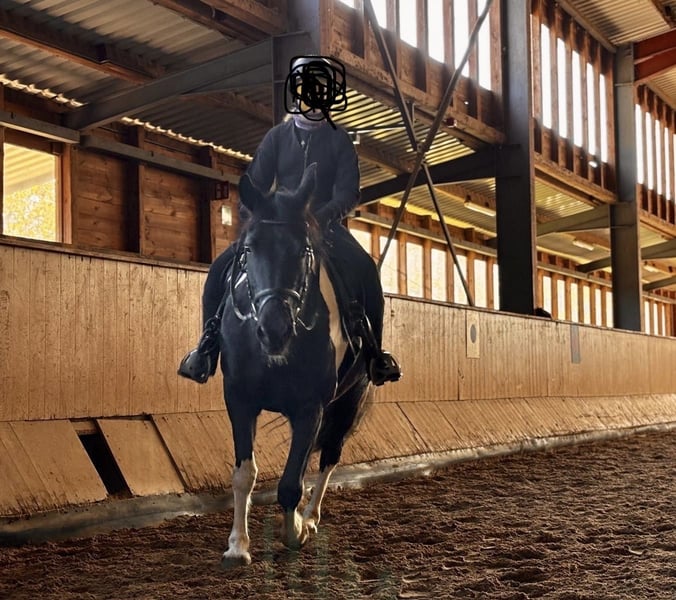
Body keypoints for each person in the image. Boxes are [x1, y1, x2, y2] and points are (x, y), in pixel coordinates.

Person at [178, 56, 401, 386]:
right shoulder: (277, 137)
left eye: (321, 89)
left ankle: (375, 355)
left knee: (365, 268)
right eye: (310, 88)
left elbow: (348, 193)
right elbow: (256, 182)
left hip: (325, 226)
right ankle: (207, 347)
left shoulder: (339, 140)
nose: (315, 95)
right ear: (297, 91)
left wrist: (321, 217)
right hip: (278, 226)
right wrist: (257, 221)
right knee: (219, 269)